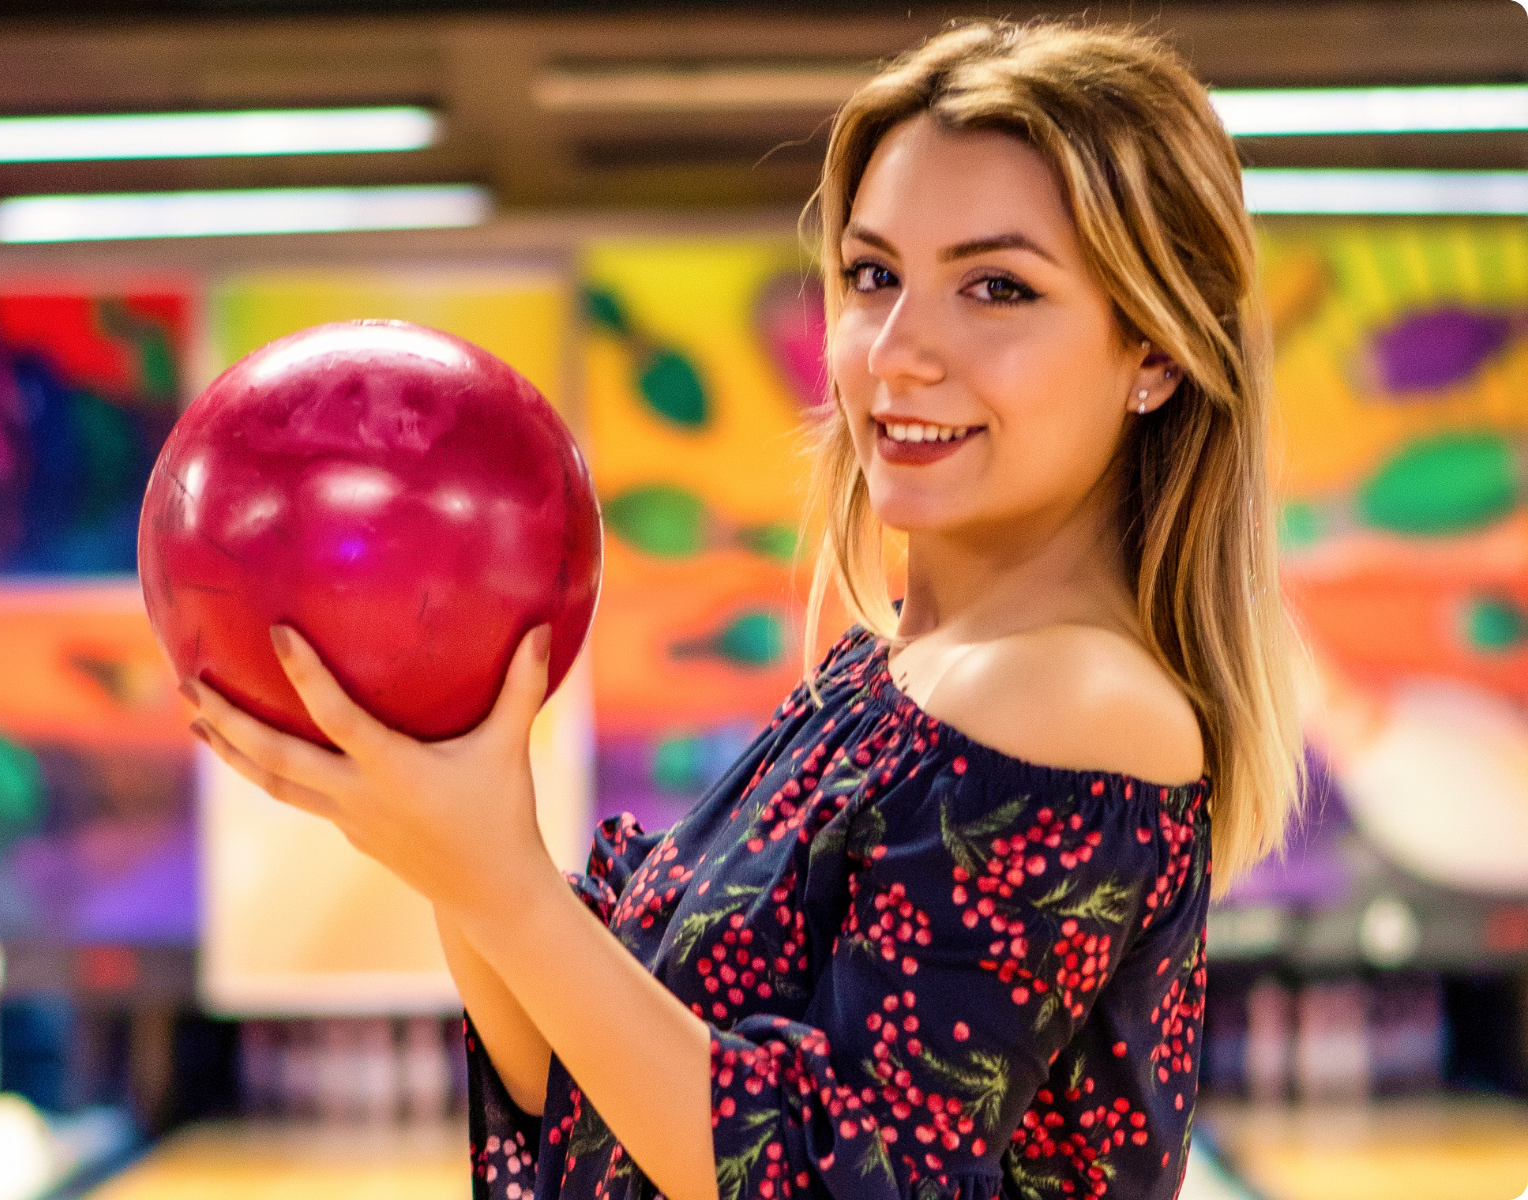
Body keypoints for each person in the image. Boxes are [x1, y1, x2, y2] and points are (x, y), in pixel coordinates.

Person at [185, 17, 1302, 1200]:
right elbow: (581, 1095)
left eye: (995, 288)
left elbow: (840, 1183)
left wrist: (502, 880)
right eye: (873, 276)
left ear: (1156, 351)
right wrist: (459, 830)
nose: (894, 351)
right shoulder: (887, 679)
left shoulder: (1069, 695)